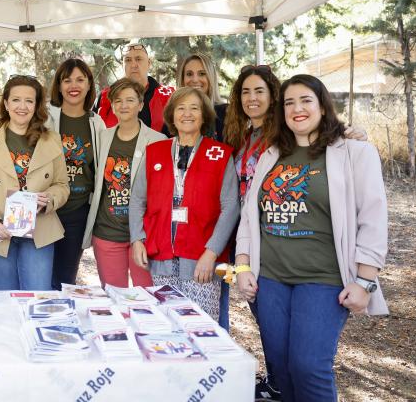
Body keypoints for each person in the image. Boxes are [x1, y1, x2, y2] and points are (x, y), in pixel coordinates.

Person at [234, 74, 388, 402]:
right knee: (281, 368)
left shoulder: (355, 152)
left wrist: (365, 281)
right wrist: (243, 266)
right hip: (270, 280)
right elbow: (250, 215)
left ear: (323, 106)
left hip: (323, 279)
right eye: (289, 103)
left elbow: (373, 219)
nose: (297, 109)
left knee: (308, 367)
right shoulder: (272, 154)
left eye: (306, 100)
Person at [129, 87, 239, 319]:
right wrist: (137, 239)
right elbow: (138, 199)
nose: (187, 114)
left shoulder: (220, 154)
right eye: (181, 108)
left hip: (203, 261)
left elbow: (231, 207)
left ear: (204, 115)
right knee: (166, 324)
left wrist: (211, 253)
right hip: (161, 257)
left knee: (201, 327)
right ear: (172, 114)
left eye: (194, 108)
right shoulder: (154, 152)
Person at [0, 75, 70, 290]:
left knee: (38, 295)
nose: (22, 107)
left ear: (36, 105)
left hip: (39, 230)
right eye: (16, 100)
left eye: (29, 101)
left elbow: (62, 185)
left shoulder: (51, 140)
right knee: (5, 298)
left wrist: (49, 199)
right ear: (6, 103)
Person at [83, 78, 165, 288]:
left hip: (144, 236)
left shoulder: (158, 141)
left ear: (141, 104)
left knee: (146, 298)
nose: (124, 105)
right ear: (112, 105)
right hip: (107, 232)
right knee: (113, 296)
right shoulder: (102, 137)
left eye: (130, 100)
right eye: (118, 100)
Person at [47, 58, 106, 290]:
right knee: (40, 277)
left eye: (80, 80)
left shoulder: (96, 123)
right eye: (67, 80)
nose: (74, 85)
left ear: (89, 85)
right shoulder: (46, 118)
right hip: (45, 210)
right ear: (59, 86)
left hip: (77, 212)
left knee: (65, 280)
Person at [95, 42, 173, 132]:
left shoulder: (168, 96)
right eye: (128, 60)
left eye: (138, 59)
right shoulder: (105, 97)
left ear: (149, 63)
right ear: (122, 65)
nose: (133, 65)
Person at [176, 53, 227, 141]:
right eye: (189, 74)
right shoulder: (173, 115)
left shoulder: (226, 113)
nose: (195, 80)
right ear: (182, 79)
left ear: (210, 78)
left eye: (202, 74)